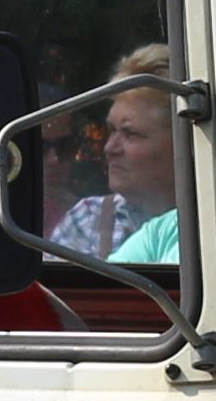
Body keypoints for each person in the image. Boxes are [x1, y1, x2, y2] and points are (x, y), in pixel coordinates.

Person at [52, 45, 185, 263]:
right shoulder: (87, 221)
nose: (109, 148)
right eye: (112, 130)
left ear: (183, 145)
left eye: (130, 134)